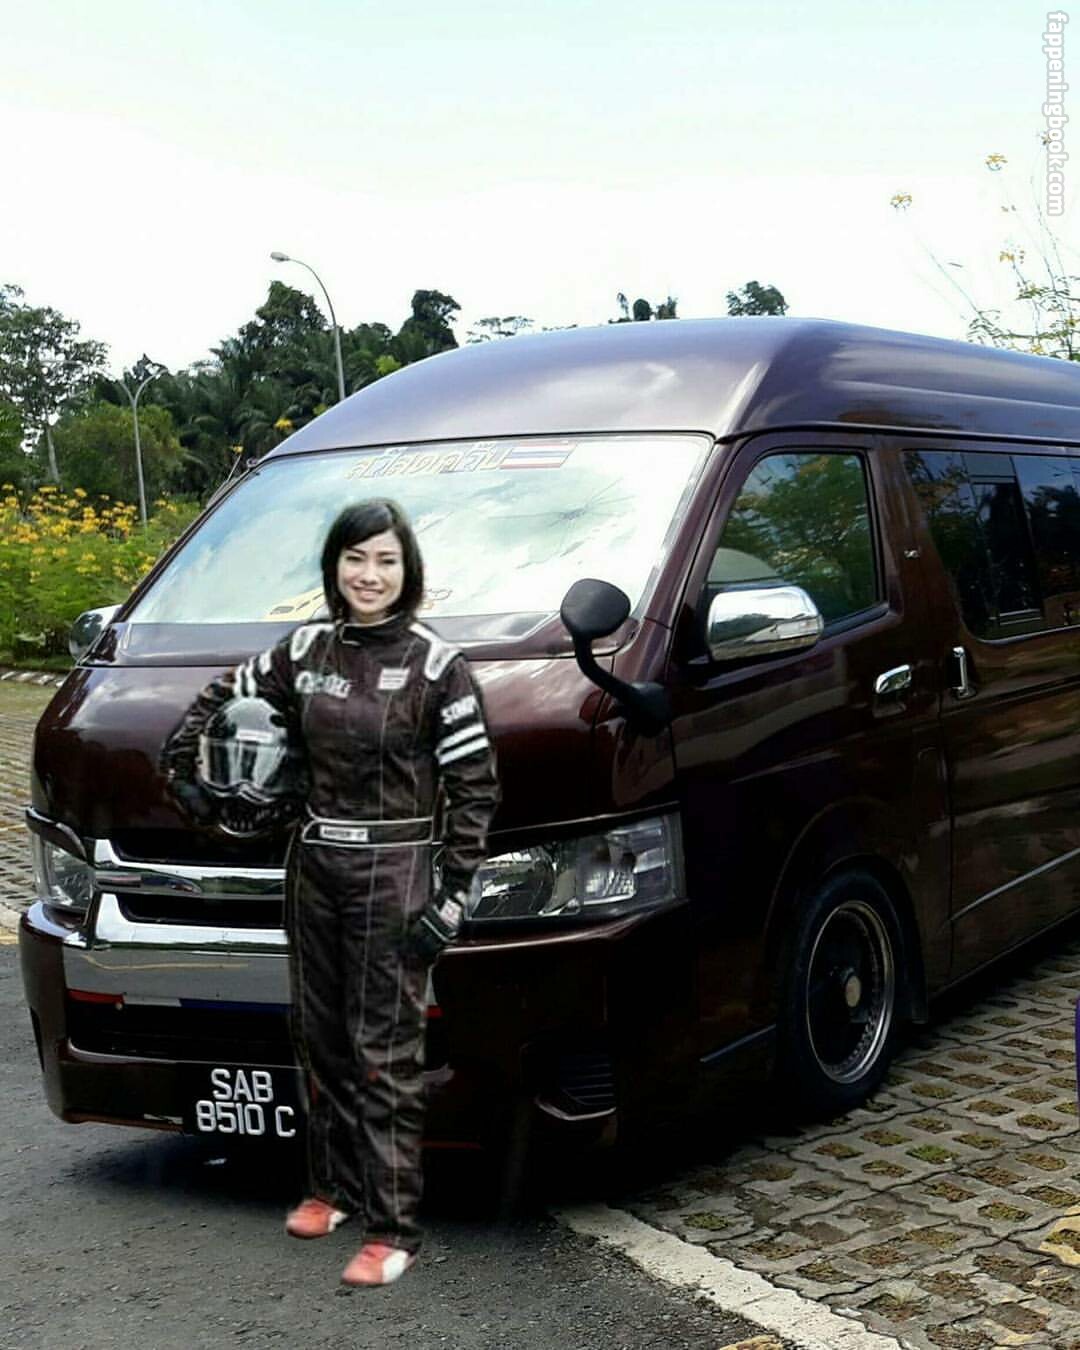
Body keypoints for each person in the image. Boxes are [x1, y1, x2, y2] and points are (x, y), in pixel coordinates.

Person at [160, 498, 499, 1286]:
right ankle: (333, 1190)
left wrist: (451, 896)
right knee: (320, 1042)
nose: (368, 575)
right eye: (354, 558)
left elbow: (475, 790)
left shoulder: (436, 666)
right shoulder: (303, 650)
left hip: (396, 870)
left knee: (384, 1053)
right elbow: (220, 699)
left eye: (385, 559)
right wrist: (190, 780)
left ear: (408, 569)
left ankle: (393, 1230)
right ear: (334, 566)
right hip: (314, 865)